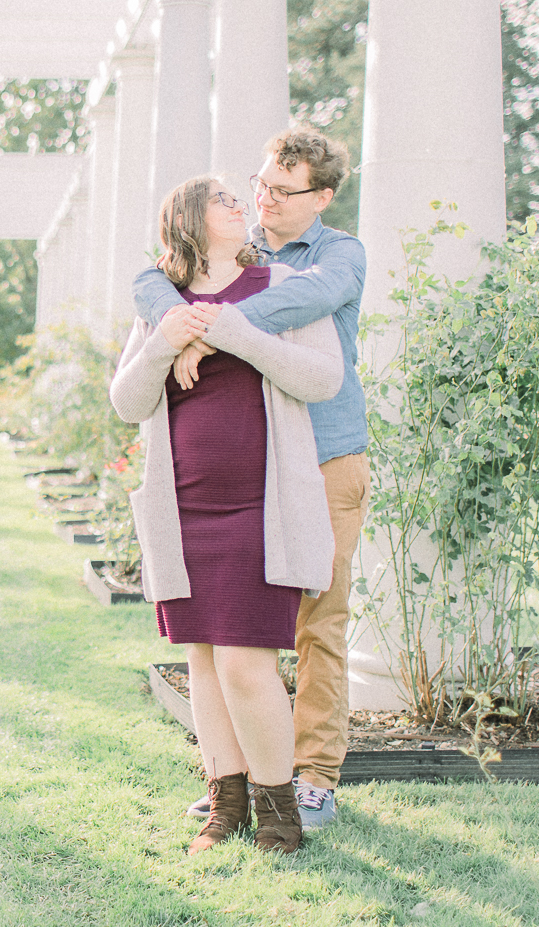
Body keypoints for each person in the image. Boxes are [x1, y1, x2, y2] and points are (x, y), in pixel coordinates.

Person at [131, 130, 367, 833]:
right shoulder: (240, 256)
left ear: (320, 197)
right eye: (258, 184)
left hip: (322, 457)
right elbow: (150, 280)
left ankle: (311, 780)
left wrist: (205, 328)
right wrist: (177, 318)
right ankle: (237, 782)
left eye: (280, 189)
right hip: (254, 470)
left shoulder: (332, 258)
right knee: (222, 641)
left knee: (314, 621)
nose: (262, 199)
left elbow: (292, 311)